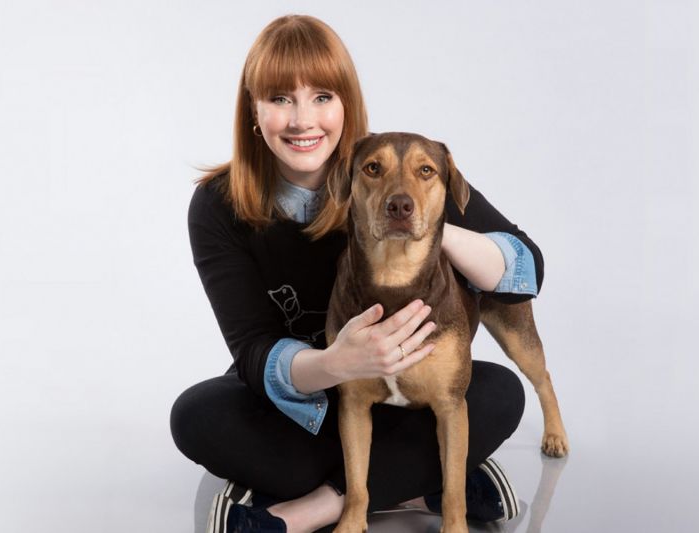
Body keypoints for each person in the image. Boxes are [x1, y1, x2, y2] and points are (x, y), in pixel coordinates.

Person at [170, 14, 544, 533]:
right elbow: (252, 347)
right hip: (309, 400)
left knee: (499, 392)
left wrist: (427, 229)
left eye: (322, 96)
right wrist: (337, 363)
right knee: (196, 415)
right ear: (253, 111)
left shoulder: (394, 168)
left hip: (408, 400)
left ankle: (310, 508)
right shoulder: (218, 205)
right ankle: (419, 483)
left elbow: (524, 266)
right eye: (281, 99)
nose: (303, 119)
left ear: (347, 103)